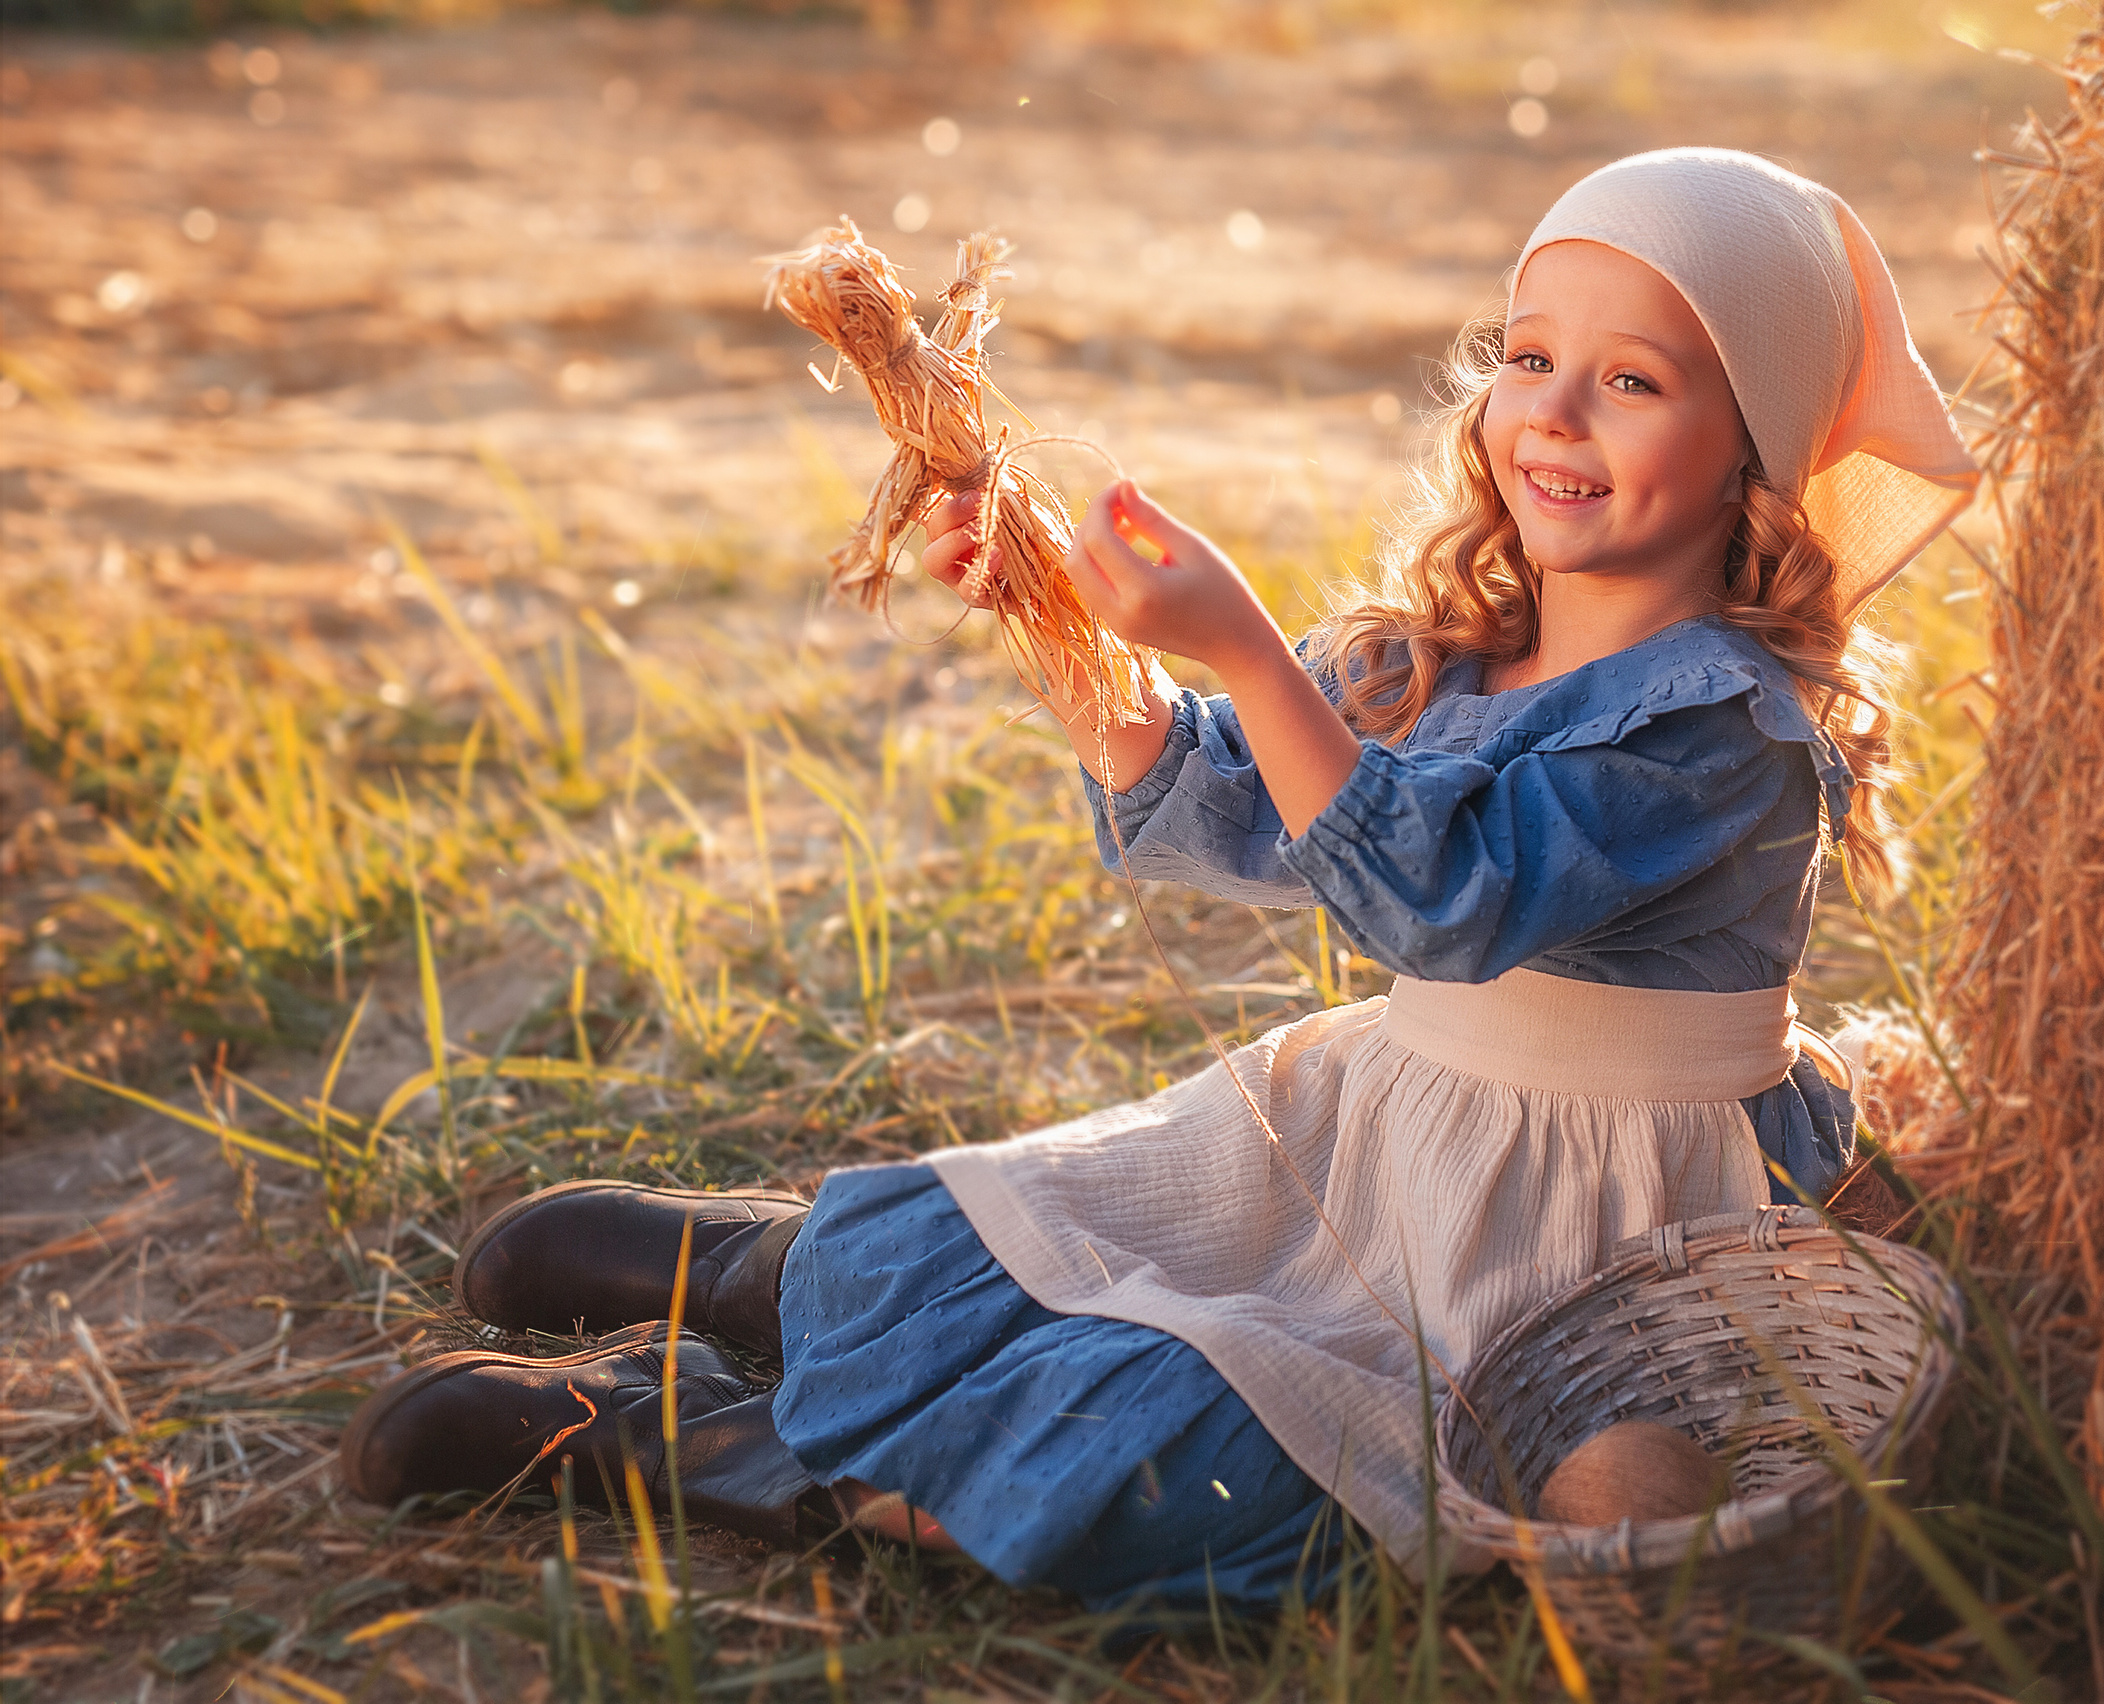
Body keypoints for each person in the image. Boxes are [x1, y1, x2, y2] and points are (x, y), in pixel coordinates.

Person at [340, 148, 1978, 1614]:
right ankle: (775, 1278)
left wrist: (1250, 647)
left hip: (1575, 1228)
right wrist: (1059, 624)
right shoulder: (1458, 652)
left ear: (1752, 446)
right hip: (1386, 1133)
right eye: (1529, 355)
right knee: (1030, 1227)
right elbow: (1240, 796)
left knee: (1189, 1467)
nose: (1551, 413)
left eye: (1631, 381)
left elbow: (1443, 898)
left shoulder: (1722, 731)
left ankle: (688, 1440)